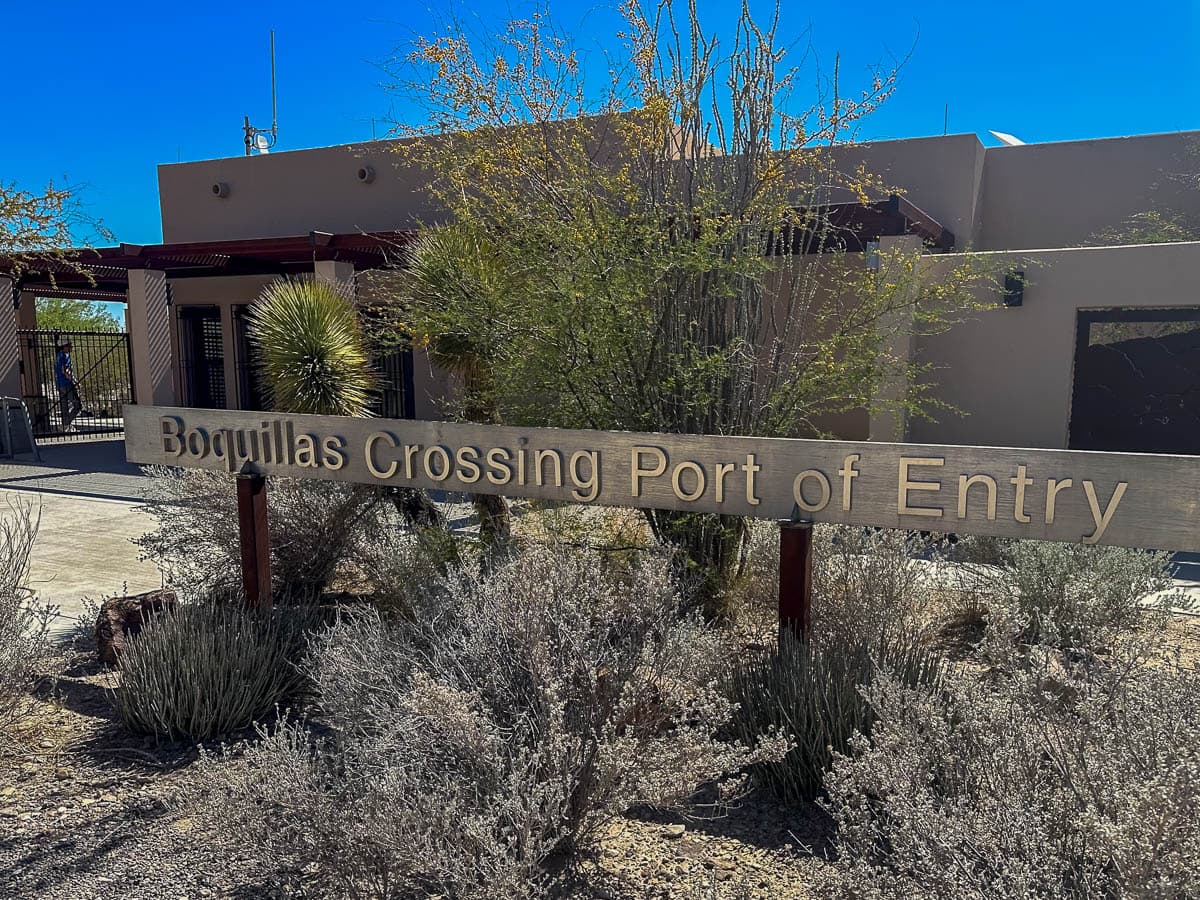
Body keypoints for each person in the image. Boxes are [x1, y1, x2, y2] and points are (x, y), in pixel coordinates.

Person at [54, 336, 83, 432]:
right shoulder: (64, 356)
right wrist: (75, 381)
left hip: (60, 384)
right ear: (65, 346)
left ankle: (65, 426)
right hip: (67, 384)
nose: (71, 347)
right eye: (70, 345)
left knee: (64, 406)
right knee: (77, 405)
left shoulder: (58, 356)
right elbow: (65, 371)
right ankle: (66, 424)